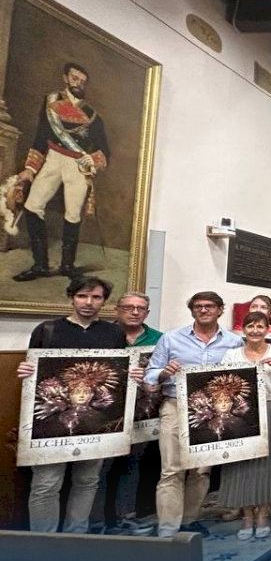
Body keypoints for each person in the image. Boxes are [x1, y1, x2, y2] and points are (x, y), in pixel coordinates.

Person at [16, 277, 132, 533]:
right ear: (72, 297)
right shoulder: (47, 330)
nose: (89, 302)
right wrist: (25, 371)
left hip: (95, 420)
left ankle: (76, 535)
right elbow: (33, 368)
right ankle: (44, 541)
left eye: (96, 297)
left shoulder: (113, 333)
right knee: (46, 483)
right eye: (82, 296)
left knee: (88, 480)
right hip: (51, 421)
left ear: (104, 301)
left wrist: (130, 374)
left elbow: (117, 373)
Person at [146, 291, 244, 538]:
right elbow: (150, 374)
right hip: (175, 405)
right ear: (192, 310)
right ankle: (168, 527)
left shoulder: (234, 342)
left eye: (209, 306)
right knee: (171, 469)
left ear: (220, 310)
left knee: (201, 471)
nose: (203, 310)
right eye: (198, 306)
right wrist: (164, 373)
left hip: (211, 412)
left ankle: (189, 520)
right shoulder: (171, 338)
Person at [12, 63, 109, 282]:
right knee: (32, 206)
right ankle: (40, 265)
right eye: (75, 79)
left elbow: (104, 150)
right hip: (53, 159)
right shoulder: (51, 102)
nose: (78, 84)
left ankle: (67, 265)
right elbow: (41, 136)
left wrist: (92, 159)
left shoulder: (93, 116)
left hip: (78, 166)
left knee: (73, 214)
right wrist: (30, 169)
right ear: (65, 78)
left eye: (82, 81)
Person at [89, 291, 162, 535]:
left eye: (140, 308)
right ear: (116, 310)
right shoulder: (102, 334)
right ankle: (96, 521)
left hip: (142, 413)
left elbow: (164, 372)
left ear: (147, 313)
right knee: (99, 467)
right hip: (104, 413)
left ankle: (125, 516)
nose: (134, 312)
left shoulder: (159, 339)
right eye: (129, 307)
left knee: (132, 463)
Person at [219, 312, 271, 540]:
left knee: (267, 463)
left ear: (268, 329)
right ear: (243, 329)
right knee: (242, 464)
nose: (255, 331)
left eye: (260, 326)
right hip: (241, 413)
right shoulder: (231, 355)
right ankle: (247, 516)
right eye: (250, 326)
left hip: (270, 407)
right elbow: (222, 386)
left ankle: (263, 514)